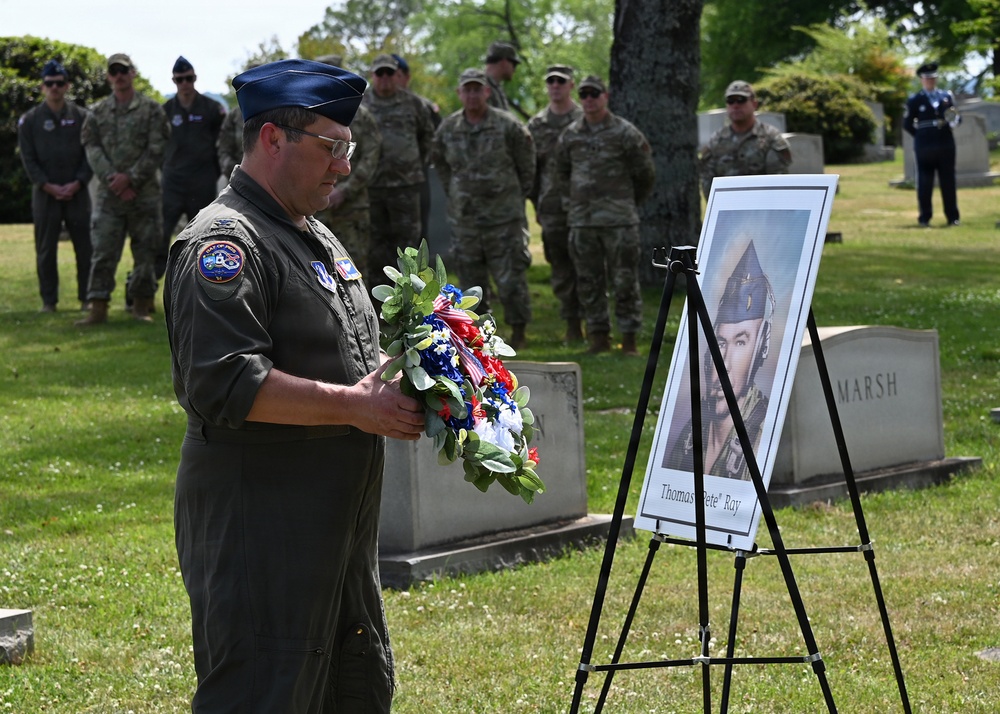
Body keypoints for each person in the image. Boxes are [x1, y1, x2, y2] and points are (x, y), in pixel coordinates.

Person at [163, 58, 425, 712]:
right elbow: (223, 382)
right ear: (274, 139)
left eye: (350, 148)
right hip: (264, 534)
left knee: (352, 689)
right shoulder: (227, 243)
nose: (345, 165)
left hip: (333, 534)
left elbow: (344, 354)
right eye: (332, 147)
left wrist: (427, 373)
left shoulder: (314, 235)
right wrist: (356, 407)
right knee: (263, 694)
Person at [432, 68, 536, 349]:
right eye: (467, 89)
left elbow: (527, 164)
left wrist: (514, 195)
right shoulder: (449, 128)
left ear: (487, 92)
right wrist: (456, 191)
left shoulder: (508, 125)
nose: (473, 94)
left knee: (511, 277)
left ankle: (519, 332)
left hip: (504, 219)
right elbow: (440, 162)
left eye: (478, 89)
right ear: (460, 93)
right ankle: (476, 337)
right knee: (471, 281)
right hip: (466, 219)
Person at [554, 75, 655, 355]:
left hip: (619, 221)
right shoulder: (571, 134)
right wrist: (572, 203)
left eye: (594, 94)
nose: (588, 99)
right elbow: (561, 172)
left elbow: (645, 173)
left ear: (605, 97)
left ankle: (629, 338)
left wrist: (627, 203)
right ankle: (598, 337)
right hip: (583, 222)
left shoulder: (625, 132)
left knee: (625, 280)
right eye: (584, 94)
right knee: (588, 281)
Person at [664, 241, 773, 481]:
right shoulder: (691, 433)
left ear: (760, 349)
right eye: (720, 343)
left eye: (741, 343)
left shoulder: (762, 434)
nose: (723, 363)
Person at [77, 53, 170, 325]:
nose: (119, 75)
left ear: (133, 73)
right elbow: (91, 147)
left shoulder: (152, 110)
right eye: (113, 71)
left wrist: (130, 179)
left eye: (123, 70)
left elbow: (157, 148)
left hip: (144, 195)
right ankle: (98, 307)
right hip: (110, 197)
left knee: (145, 252)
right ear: (108, 76)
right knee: (103, 251)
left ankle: (141, 306)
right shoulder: (97, 113)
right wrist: (113, 179)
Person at [16, 59, 93, 313]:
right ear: (42, 87)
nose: (55, 88)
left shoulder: (83, 117)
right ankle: (49, 302)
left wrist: (78, 182)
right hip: (45, 193)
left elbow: (89, 154)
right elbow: (28, 159)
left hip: (77, 192)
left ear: (67, 86)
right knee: (45, 250)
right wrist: (47, 185)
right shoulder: (30, 121)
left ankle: (87, 299)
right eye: (50, 84)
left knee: (84, 248)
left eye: (59, 83)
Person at [361, 53, 435, 285]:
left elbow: (428, 138)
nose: (384, 77)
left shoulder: (414, 104)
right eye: (379, 73)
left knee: (409, 249)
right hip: (372, 186)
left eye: (389, 73)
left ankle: (411, 304)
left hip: (406, 187)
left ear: (397, 75)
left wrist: (413, 165)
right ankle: (378, 305)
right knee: (375, 247)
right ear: (373, 75)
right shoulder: (361, 104)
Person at [313, 54, 384, 280]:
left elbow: (371, 157)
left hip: (352, 208)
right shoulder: (308, 116)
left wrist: (345, 190)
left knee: (355, 269)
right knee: (317, 267)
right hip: (316, 206)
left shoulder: (361, 117)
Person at [527, 64, 584, 342]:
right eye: (551, 81)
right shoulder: (537, 125)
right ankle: (572, 322)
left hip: (585, 205)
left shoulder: (585, 119)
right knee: (561, 268)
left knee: (587, 266)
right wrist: (536, 201)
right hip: (552, 207)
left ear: (571, 85)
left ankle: (595, 324)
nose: (555, 86)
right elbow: (530, 168)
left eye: (561, 81)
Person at [158, 56, 225, 279]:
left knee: (203, 234)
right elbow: (157, 144)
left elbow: (222, 141)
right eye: (180, 80)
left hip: (201, 181)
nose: (184, 84)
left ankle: (204, 280)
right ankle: (150, 287)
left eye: (188, 79)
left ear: (195, 79)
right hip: (173, 182)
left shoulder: (212, 108)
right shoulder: (166, 110)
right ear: (173, 81)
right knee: (161, 233)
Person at [698, 80, 791, 199]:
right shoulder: (716, 141)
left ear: (754, 104)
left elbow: (779, 185)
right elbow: (708, 184)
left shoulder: (771, 139)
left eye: (741, 100)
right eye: (730, 101)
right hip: (727, 211)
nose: (735, 106)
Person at [903, 62, 961, 227]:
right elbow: (907, 124)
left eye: (933, 78)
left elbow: (955, 117)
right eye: (927, 79)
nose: (930, 81)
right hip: (925, 147)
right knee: (925, 182)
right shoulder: (915, 100)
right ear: (922, 80)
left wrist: (953, 121)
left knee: (948, 181)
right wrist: (921, 136)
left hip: (945, 144)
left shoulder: (946, 97)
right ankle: (925, 217)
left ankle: (952, 217)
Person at [391, 52, 439, 243]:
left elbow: (432, 139)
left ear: (406, 77)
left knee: (416, 237)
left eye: (396, 74)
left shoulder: (422, 106)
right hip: (380, 185)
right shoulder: (370, 104)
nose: (391, 79)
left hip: (414, 182)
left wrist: (415, 164)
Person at [484, 41, 520, 114]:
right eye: (514, 65)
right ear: (504, 62)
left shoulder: (497, 88)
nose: (514, 70)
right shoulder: (480, 88)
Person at [217, 104, 244, 181]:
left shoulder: (276, 111)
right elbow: (223, 150)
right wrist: (236, 171)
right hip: (238, 177)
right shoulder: (234, 115)